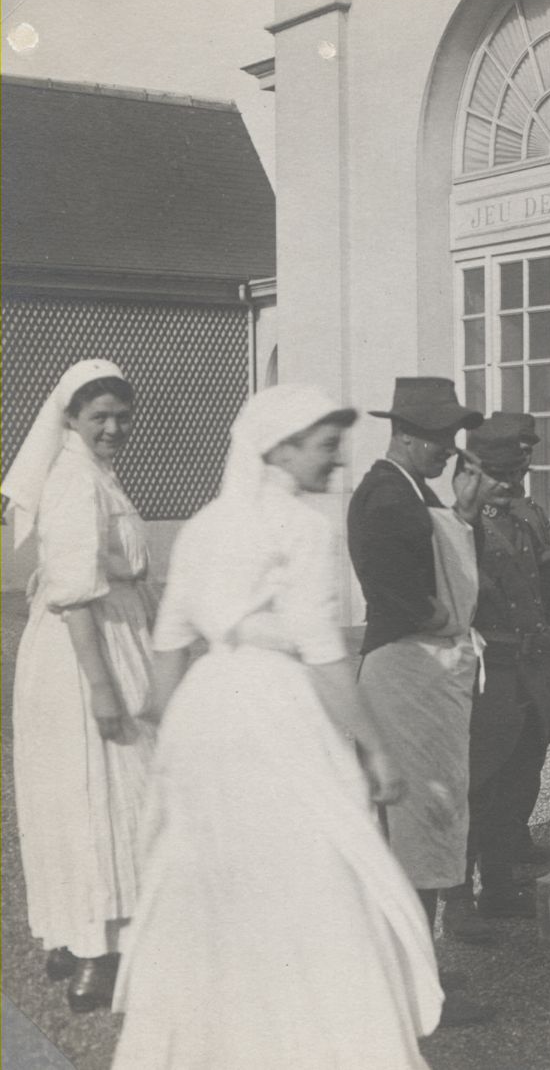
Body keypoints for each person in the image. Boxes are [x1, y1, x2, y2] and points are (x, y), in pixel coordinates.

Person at [111, 385, 441, 1068]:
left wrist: (169, 743)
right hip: (276, 711)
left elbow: (169, 646)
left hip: (206, 710)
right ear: (281, 449)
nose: (337, 460)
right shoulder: (303, 529)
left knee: (219, 875)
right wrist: (379, 751)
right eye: (325, 446)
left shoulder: (203, 526)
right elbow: (324, 655)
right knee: (306, 873)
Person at [2, 359, 156, 1012]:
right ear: (69, 418)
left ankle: (74, 939)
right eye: (100, 417)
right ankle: (97, 954)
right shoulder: (73, 479)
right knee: (99, 790)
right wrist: (101, 686)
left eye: (122, 416)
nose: (114, 428)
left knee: (94, 792)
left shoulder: (96, 474)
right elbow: (74, 595)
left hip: (105, 634)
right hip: (84, 650)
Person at [347, 376, 496, 1023]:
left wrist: (462, 516)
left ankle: (415, 968)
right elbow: (403, 595)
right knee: (416, 827)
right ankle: (412, 986)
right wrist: (445, 617)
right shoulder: (387, 497)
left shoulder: (410, 489)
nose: (449, 450)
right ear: (405, 435)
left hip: (421, 671)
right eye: (440, 438)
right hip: (404, 671)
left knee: (427, 823)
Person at [446, 413, 550, 925]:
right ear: (473, 474)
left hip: (527, 666)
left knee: (516, 780)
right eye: (501, 476)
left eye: (517, 475)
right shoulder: (458, 527)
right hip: (487, 670)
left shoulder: (520, 518)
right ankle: (459, 899)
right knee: (477, 786)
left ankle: (499, 886)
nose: (510, 485)